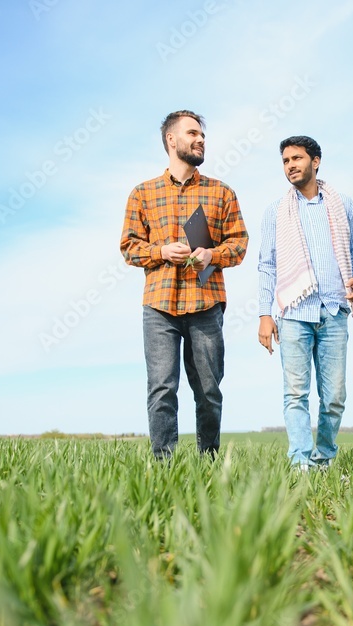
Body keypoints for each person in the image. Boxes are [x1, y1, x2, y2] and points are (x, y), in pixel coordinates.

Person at [120, 110, 248, 458]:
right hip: (159, 305)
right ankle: (164, 467)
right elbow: (129, 247)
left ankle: (209, 461)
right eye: (192, 133)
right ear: (171, 140)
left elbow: (239, 244)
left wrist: (212, 255)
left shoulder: (222, 192)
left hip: (205, 303)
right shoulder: (142, 194)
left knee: (208, 389)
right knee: (162, 388)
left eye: (202, 135)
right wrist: (161, 251)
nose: (200, 139)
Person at [257, 136, 353, 470]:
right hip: (293, 312)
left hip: (334, 310)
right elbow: (267, 265)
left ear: (315, 161)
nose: (291, 165)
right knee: (295, 394)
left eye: (297, 158)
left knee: (334, 396)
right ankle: (301, 465)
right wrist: (265, 313)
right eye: (285, 160)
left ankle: (324, 459)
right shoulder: (275, 212)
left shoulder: (342, 204)